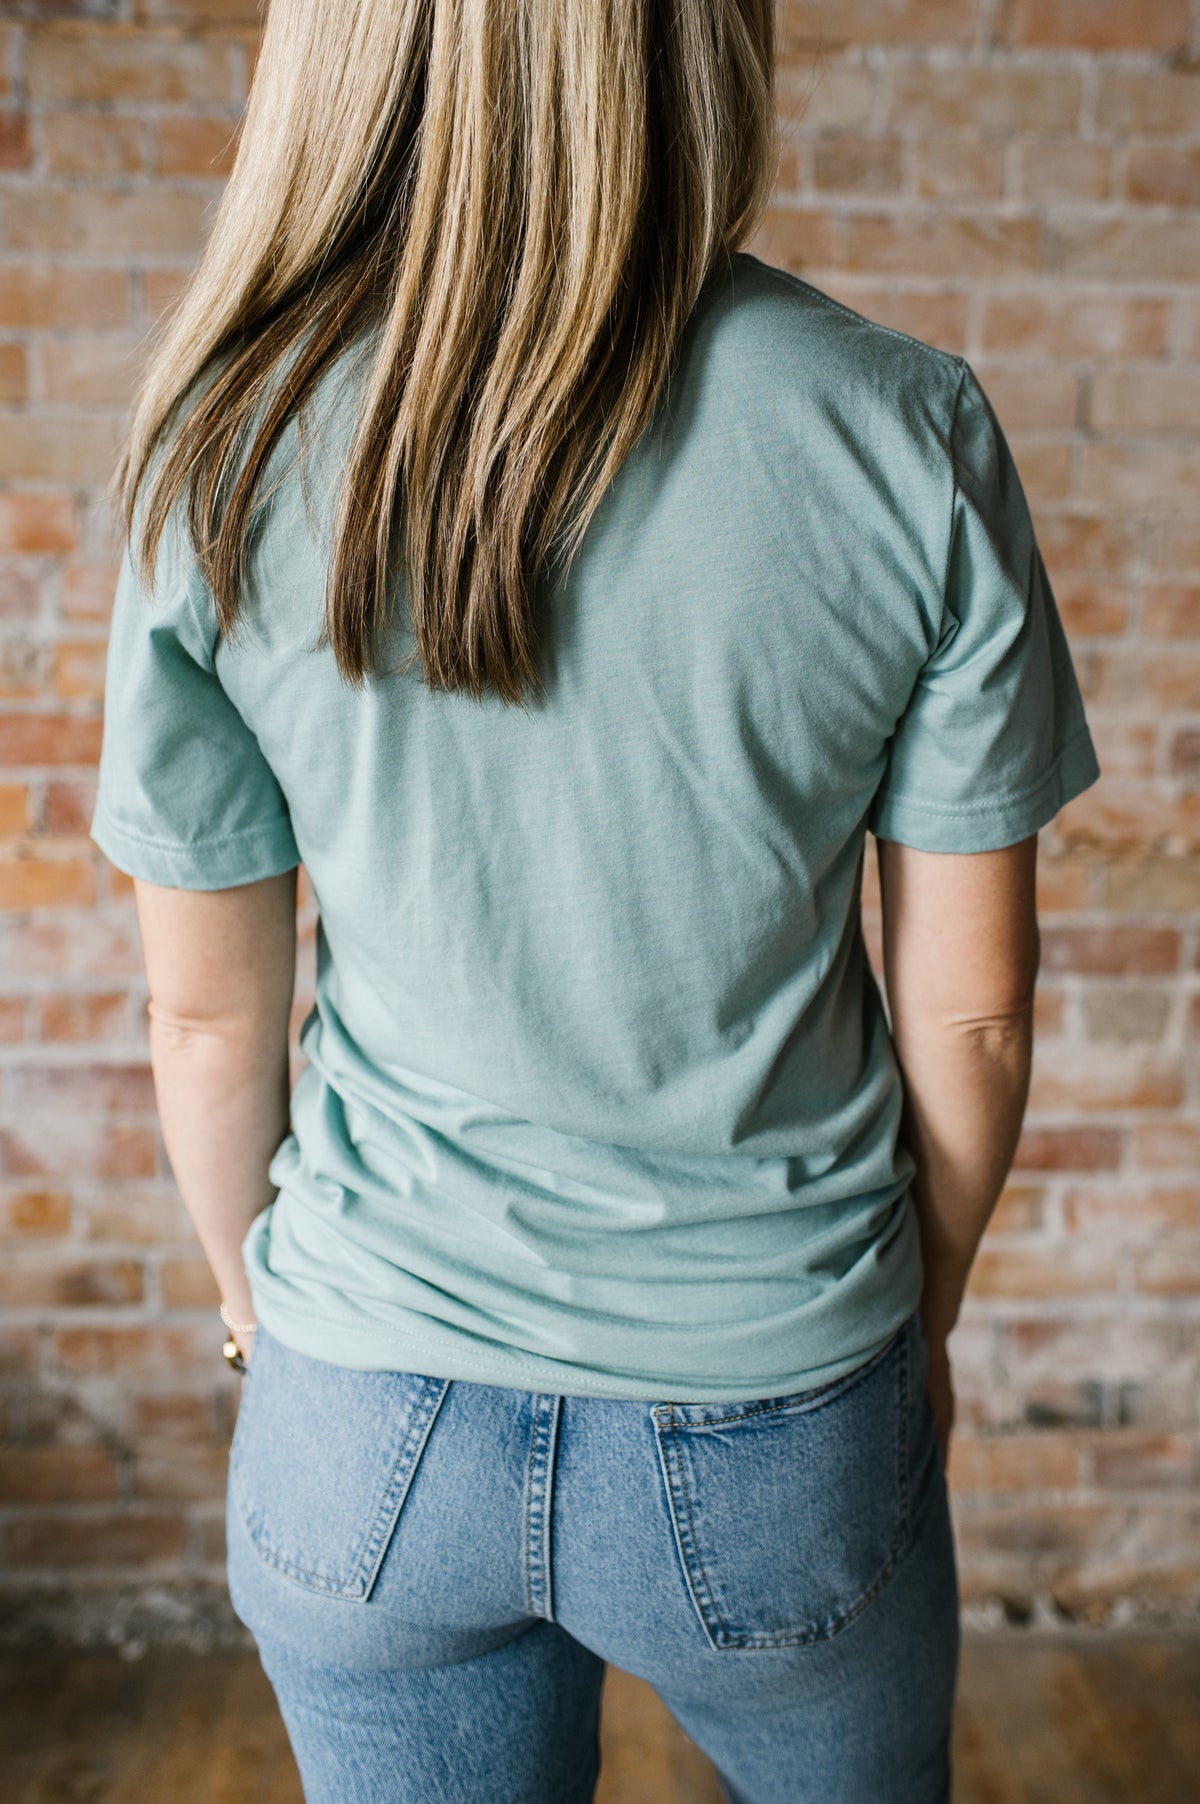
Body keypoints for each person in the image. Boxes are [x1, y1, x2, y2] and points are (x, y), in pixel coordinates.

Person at [89, 1, 1101, 1800]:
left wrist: (260, 1305)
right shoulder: (899, 427)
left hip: (363, 1421)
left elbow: (206, 1015)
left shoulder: (221, 444)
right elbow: (975, 1014)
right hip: (781, 1409)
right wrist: (908, 1325)